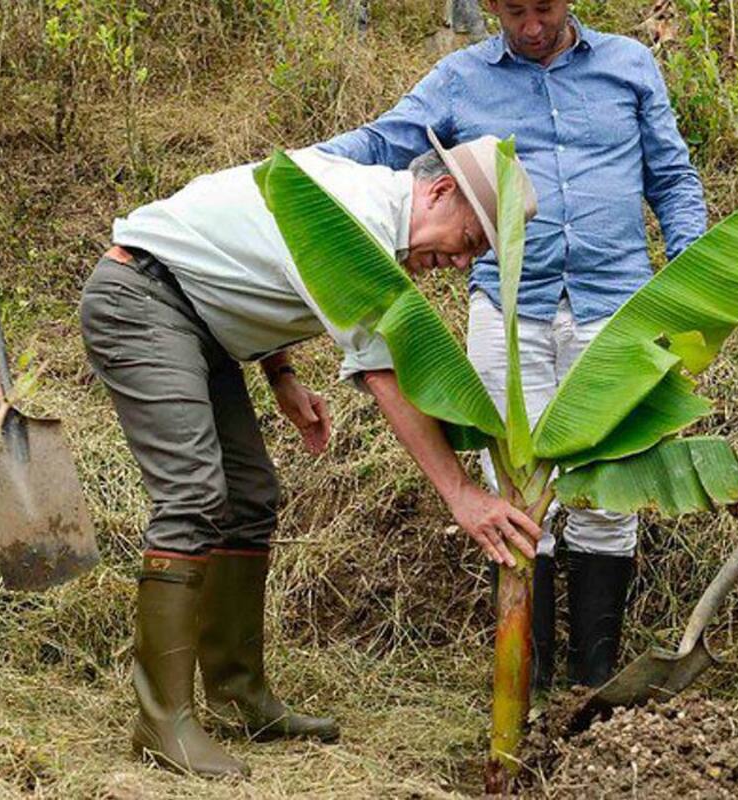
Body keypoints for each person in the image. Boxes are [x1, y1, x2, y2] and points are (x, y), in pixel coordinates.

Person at [80, 133, 541, 777]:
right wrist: (461, 494)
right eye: (468, 242)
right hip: (142, 299)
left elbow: (252, 255)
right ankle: (161, 722)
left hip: (198, 323)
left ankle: (239, 697)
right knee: (191, 495)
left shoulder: (364, 209)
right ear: (439, 190)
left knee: (250, 497)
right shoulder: (357, 214)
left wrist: (281, 374)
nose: (462, 263)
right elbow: (383, 374)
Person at [318, 0, 706, 692]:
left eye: (545, 8)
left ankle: (594, 684)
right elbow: (384, 141)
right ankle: (528, 687)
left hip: (616, 307)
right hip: (508, 310)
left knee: (607, 501)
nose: (531, 25)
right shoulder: (461, 78)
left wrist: (691, 284)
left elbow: (671, 180)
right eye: (514, 10)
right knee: (517, 503)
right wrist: (297, 176)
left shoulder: (629, 65)